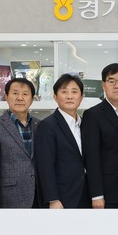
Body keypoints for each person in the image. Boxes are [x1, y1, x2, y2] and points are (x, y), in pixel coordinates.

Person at [81, 63, 118, 209]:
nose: (117, 86)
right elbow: (91, 157)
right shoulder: (93, 115)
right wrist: (97, 195)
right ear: (103, 85)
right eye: (111, 81)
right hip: (108, 192)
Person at [36, 74, 91, 208]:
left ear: (81, 97)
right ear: (55, 97)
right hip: (63, 197)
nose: (69, 96)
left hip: (87, 195)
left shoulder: (86, 124)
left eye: (74, 92)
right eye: (64, 92)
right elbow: (45, 166)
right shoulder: (47, 126)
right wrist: (53, 199)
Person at [0, 78, 41, 208]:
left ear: (32, 99)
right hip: (10, 196)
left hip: (39, 196)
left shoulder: (40, 125)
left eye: (25, 94)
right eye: (15, 93)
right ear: (6, 97)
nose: (20, 98)